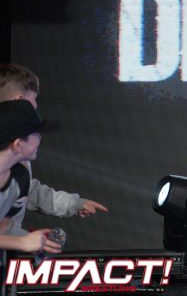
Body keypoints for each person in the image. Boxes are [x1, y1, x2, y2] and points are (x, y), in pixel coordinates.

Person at [0, 64, 108, 254]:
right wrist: (21, 243)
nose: (36, 106)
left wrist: (73, 204)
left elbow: (23, 200)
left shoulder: (19, 173)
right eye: (33, 101)